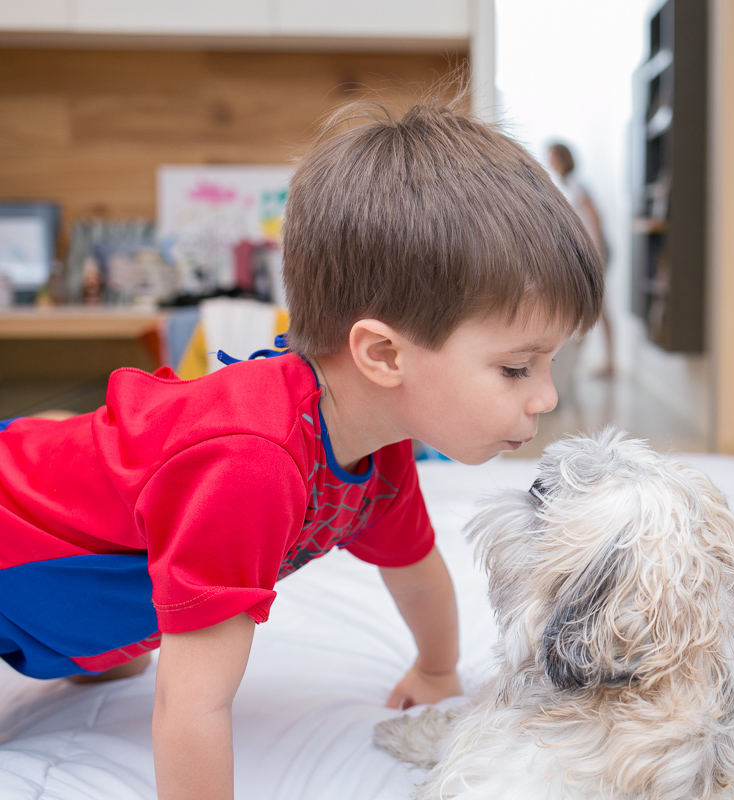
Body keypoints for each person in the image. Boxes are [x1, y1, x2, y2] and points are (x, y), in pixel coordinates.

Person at [0, 103, 604, 800]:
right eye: (516, 368)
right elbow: (193, 704)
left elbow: (417, 575)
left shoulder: (379, 452)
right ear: (381, 355)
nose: (546, 398)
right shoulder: (250, 465)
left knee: (114, 642)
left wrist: (437, 671)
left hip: (63, 587)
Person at [548, 142, 615, 379]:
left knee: (598, 307)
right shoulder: (566, 185)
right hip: (587, 254)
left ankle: (609, 364)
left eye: (553, 156)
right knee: (589, 307)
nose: (549, 161)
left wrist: (596, 256)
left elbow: (595, 219)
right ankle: (576, 360)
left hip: (596, 253)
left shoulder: (576, 185)